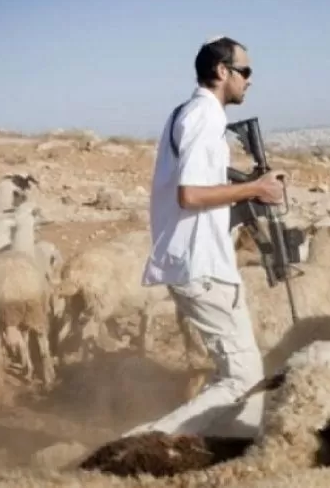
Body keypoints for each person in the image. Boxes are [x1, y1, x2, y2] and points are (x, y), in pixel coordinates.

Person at [126, 36, 286, 438]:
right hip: (202, 266)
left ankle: (222, 450)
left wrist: (246, 193)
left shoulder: (186, 112)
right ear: (222, 71)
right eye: (245, 71)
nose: (250, 80)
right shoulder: (205, 116)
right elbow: (191, 194)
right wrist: (257, 188)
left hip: (196, 261)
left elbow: (195, 198)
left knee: (237, 376)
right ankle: (144, 445)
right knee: (243, 379)